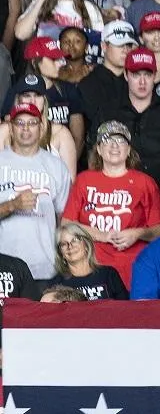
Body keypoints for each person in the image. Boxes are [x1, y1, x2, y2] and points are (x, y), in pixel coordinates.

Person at [60, 119, 160, 289]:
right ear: (99, 149)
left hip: (134, 269)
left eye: (121, 141)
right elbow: (66, 224)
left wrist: (137, 233)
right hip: (92, 269)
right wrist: (103, 235)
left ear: (128, 149)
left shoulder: (145, 183)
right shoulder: (84, 180)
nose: (115, 146)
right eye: (108, 140)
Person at [0, 101, 70, 280]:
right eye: (20, 123)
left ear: (41, 127)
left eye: (32, 123)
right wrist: (11, 205)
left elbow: (65, 220)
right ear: (11, 127)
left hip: (45, 268)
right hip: (4, 267)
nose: (26, 128)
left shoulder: (57, 166)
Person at [48, 220, 127, 299]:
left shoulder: (109, 274)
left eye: (75, 240)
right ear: (61, 253)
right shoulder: (56, 284)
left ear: (86, 244)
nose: (70, 246)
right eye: (64, 244)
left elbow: (125, 308)